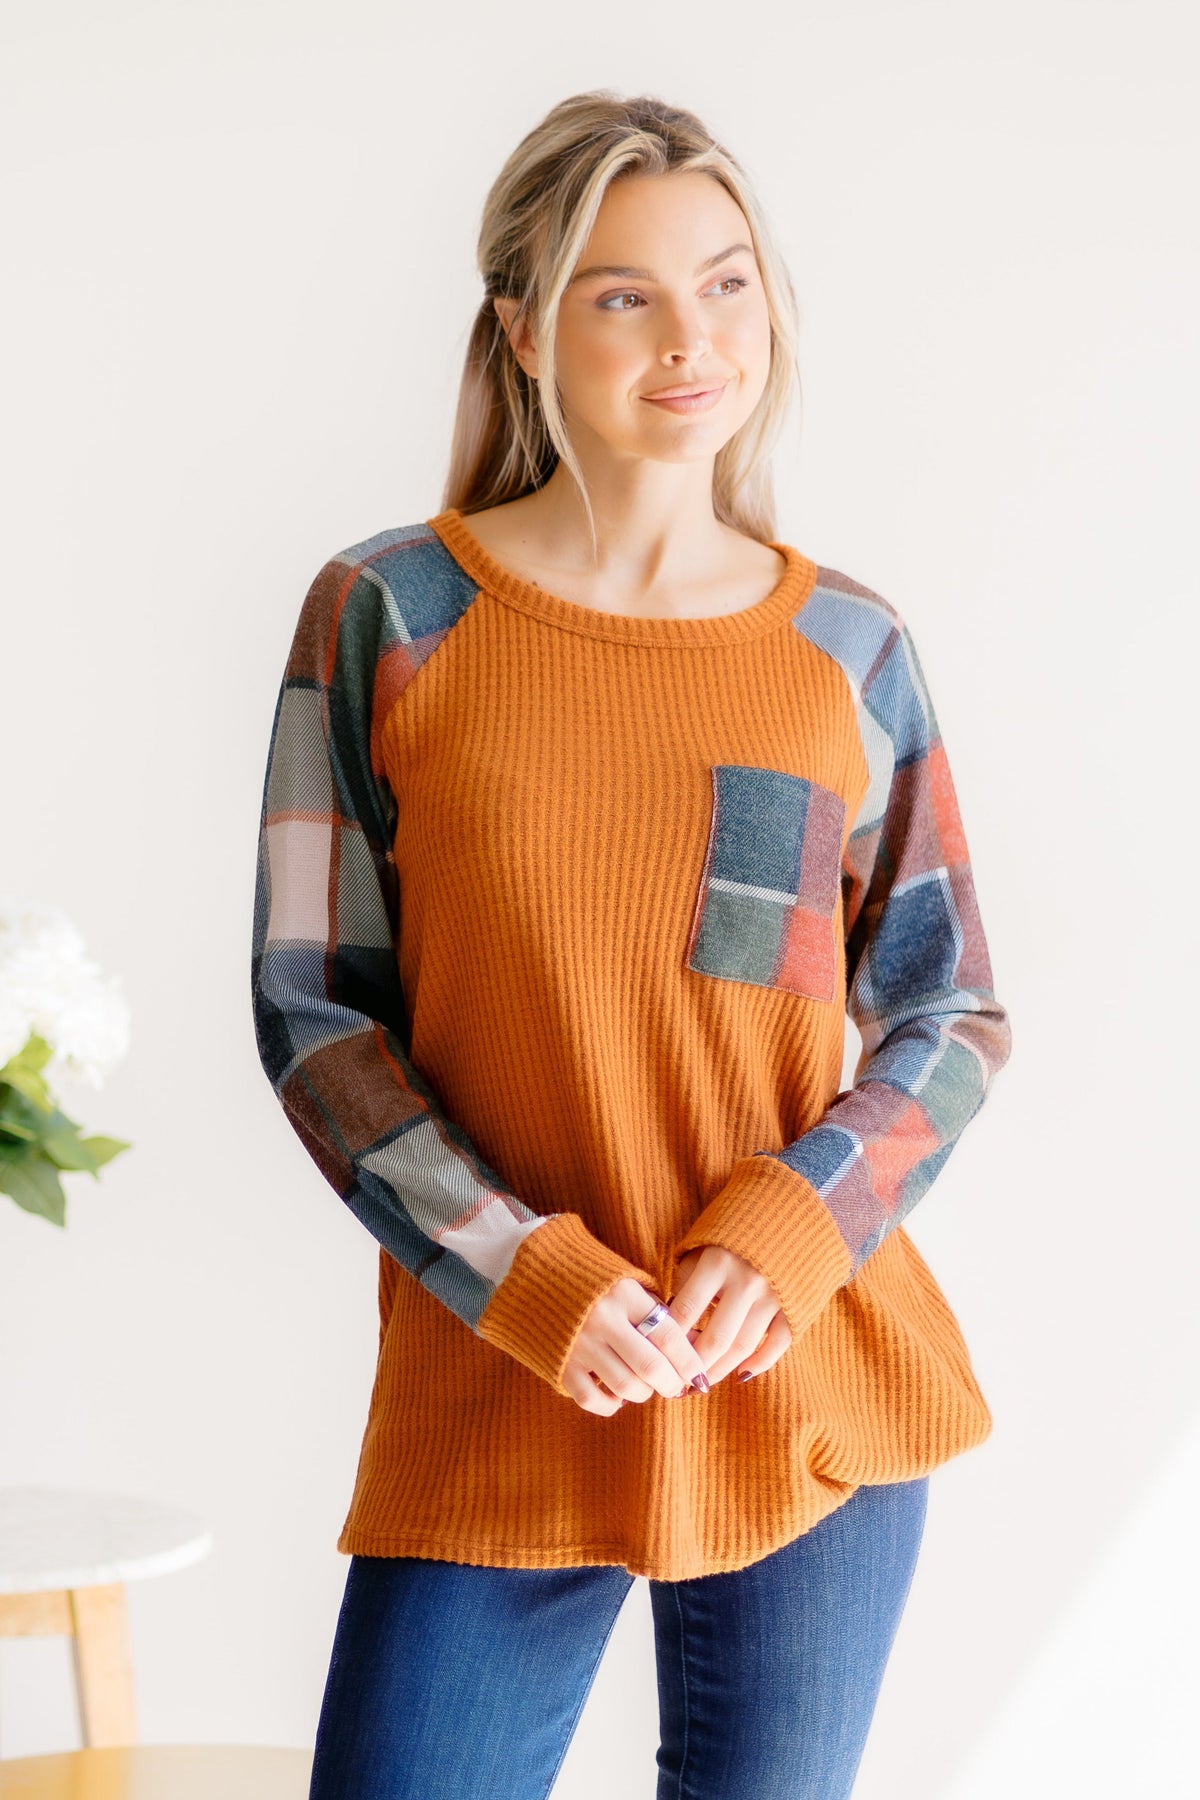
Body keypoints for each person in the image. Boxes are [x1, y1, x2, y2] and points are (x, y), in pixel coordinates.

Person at [251, 89, 1012, 1800]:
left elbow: (951, 1008)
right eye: (626, 294)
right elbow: (313, 1013)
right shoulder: (392, 615)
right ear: (524, 332)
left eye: (727, 283)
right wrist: (518, 1270)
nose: (693, 337)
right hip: (499, 1374)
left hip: (804, 1382)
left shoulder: (847, 646)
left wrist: (792, 1230)